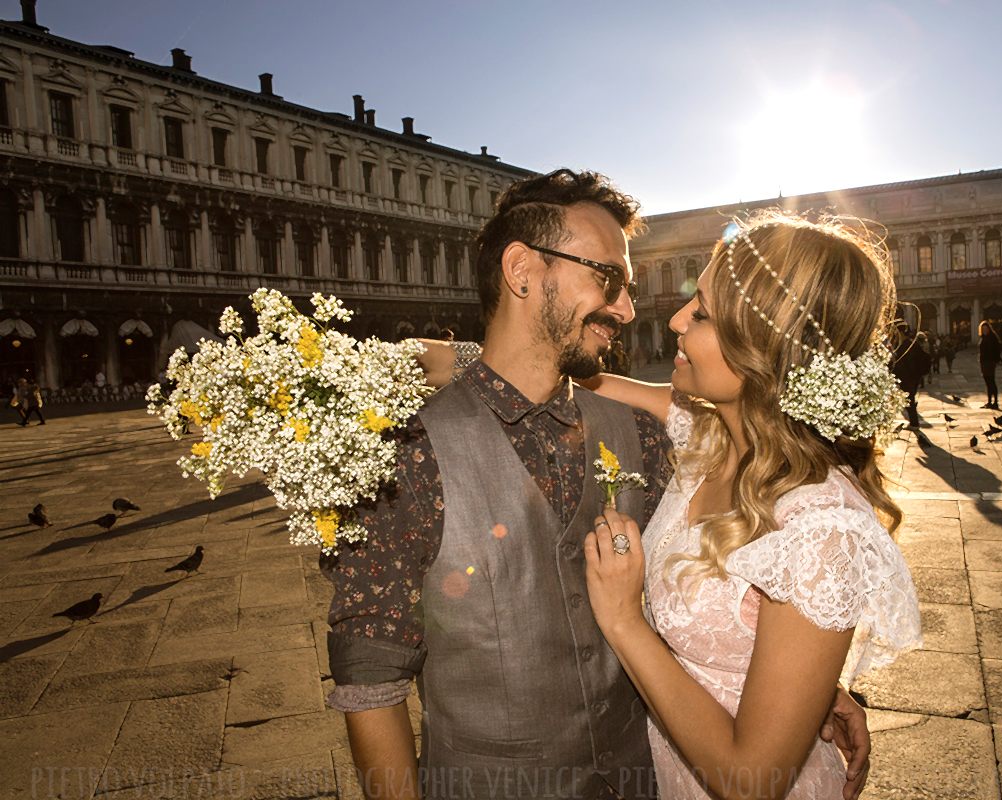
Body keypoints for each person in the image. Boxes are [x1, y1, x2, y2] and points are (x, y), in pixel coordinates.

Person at [321, 171, 870, 800]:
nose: (634, 312)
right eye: (607, 278)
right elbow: (371, 682)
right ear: (522, 269)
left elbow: (723, 585)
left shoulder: (652, 435)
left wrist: (797, 682)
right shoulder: (404, 451)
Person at [582, 213, 919, 799]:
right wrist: (398, 366)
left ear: (766, 346)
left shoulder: (820, 528)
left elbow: (752, 783)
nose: (676, 319)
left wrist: (623, 619)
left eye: (704, 313)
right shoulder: (708, 436)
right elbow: (575, 384)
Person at [890, 322, 930, 429]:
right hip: (911, 377)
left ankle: (914, 423)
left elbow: (905, 363)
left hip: (908, 377)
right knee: (909, 400)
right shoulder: (909, 344)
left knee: (909, 400)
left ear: (900, 332)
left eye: (896, 331)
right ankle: (914, 423)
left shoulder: (906, 345)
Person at [977, 321, 1002, 409]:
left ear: (989, 328)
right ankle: (989, 402)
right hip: (984, 362)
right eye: (983, 329)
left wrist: (995, 360)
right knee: (988, 382)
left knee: (991, 381)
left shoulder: (992, 337)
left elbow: (997, 350)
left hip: (989, 362)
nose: (985, 330)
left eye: (986, 328)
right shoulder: (983, 337)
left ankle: (995, 402)